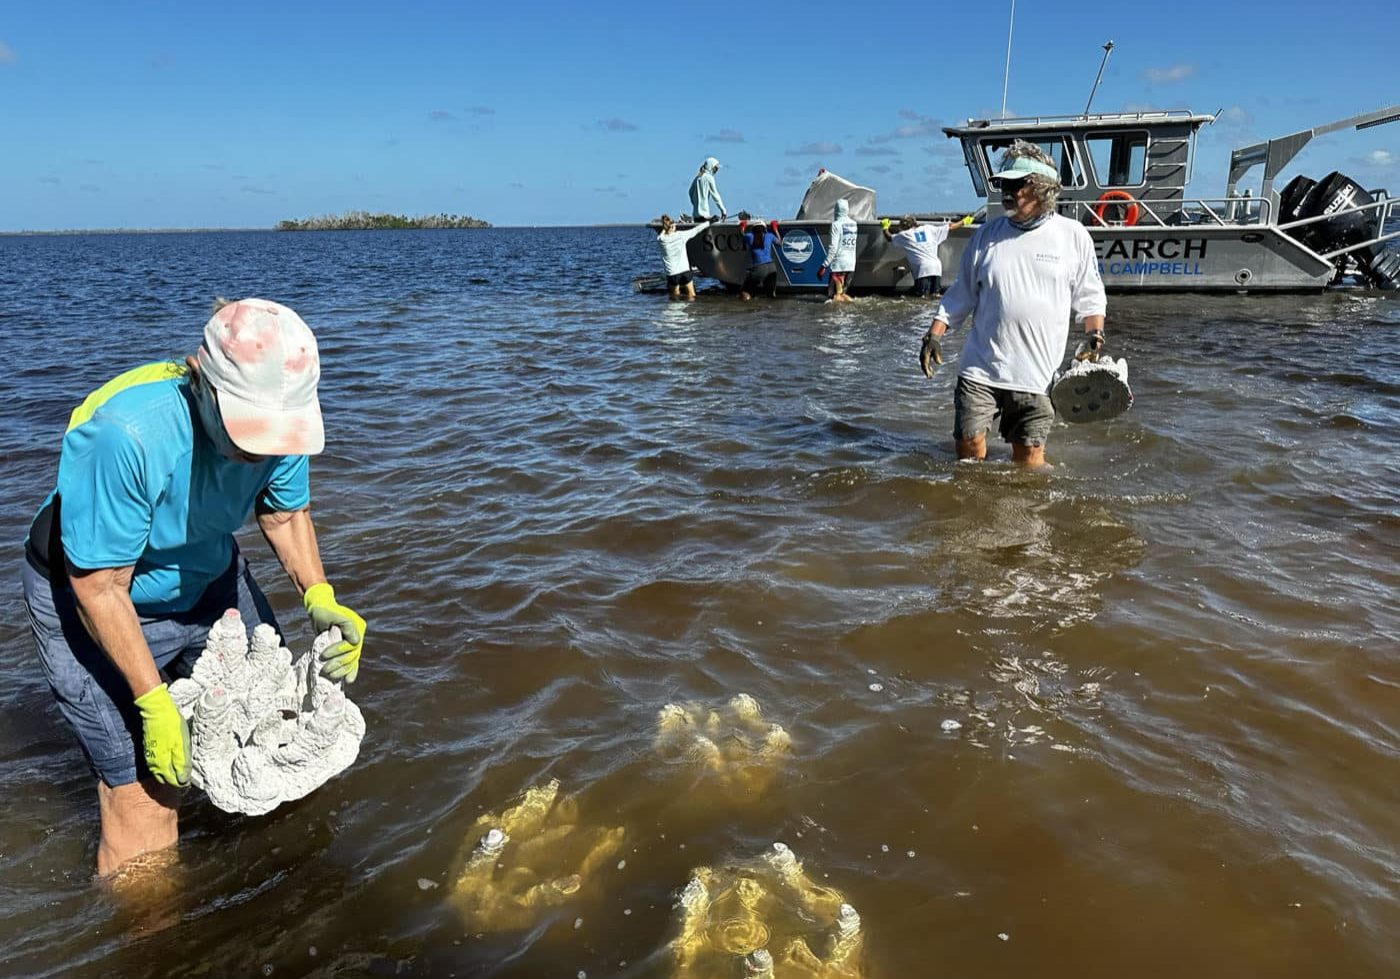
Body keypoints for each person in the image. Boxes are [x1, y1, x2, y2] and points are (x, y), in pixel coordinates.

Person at [21, 298, 368, 875]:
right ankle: (154, 949)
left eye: (273, 436)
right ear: (200, 378)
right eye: (245, 432)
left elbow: (283, 515)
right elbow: (100, 586)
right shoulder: (127, 436)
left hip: (207, 573)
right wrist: (152, 701)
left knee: (276, 738)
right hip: (95, 596)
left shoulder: (280, 423)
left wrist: (319, 596)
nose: (259, 451)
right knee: (146, 805)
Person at [920, 141, 1107, 468]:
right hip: (981, 367)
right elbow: (961, 293)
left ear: (1044, 188)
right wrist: (934, 334)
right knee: (967, 447)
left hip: (1037, 373)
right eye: (1003, 184)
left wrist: (1094, 336)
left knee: (1029, 461)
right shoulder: (986, 235)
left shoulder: (1072, 235)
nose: (1007, 191)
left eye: (1016, 184)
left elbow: (1090, 294)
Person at [882, 215, 958, 298]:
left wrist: (885, 227)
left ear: (904, 226)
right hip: (936, 267)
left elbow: (889, 237)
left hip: (923, 270)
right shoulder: (928, 228)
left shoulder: (905, 234)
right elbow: (950, 227)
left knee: (922, 297)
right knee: (935, 296)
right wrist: (964, 222)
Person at [656, 214, 718, 300]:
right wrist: (710, 222)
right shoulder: (681, 236)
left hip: (672, 274)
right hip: (685, 271)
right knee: (692, 295)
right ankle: (690, 310)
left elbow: (662, 234)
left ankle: (676, 312)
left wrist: (666, 228)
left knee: (675, 297)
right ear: (672, 226)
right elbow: (696, 230)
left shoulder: (661, 240)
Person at [817, 197, 858, 302]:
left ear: (836, 210)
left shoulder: (836, 225)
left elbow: (833, 248)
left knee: (832, 298)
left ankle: (835, 318)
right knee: (842, 295)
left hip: (838, 266)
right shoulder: (854, 224)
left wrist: (824, 266)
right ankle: (846, 317)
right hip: (851, 266)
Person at [739, 215, 783, 300]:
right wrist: (775, 229)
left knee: (745, 292)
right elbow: (780, 243)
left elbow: (741, 235)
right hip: (772, 268)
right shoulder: (770, 235)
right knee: (771, 295)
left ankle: (745, 311)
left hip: (758, 268)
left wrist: (742, 226)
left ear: (753, 229)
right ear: (765, 229)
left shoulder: (749, 236)